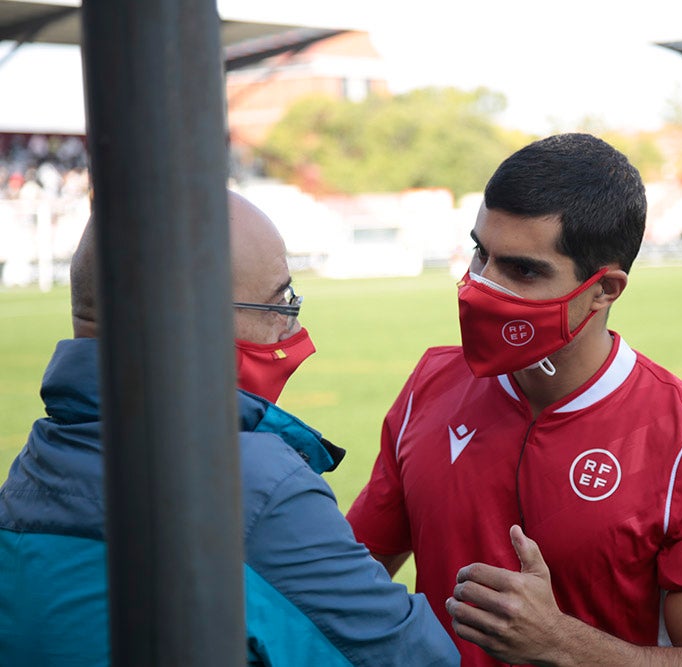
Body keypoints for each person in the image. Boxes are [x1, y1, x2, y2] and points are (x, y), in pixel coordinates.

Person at [346, 134, 682, 666]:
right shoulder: (430, 384)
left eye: (523, 271)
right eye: (481, 254)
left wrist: (561, 644)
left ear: (606, 290)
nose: (482, 286)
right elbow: (349, 582)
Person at [0, 191, 459, 666]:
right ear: (193, 323)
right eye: (282, 303)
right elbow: (412, 657)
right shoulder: (251, 486)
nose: (291, 331)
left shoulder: (26, 475)